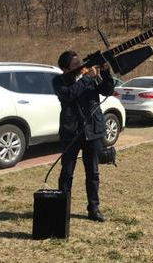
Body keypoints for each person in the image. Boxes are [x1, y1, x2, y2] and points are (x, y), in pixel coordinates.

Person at [52, 50, 115, 222]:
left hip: (93, 131)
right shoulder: (58, 81)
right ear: (65, 68)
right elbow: (69, 94)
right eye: (74, 64)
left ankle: (93, 208)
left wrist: (105, 71)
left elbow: (108, 90)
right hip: (71, 132)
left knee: (93, 173)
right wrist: (87, 77)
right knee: (66, 173)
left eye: (80, 62)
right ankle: (62, 209)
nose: (79, 66)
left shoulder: (91, 77)